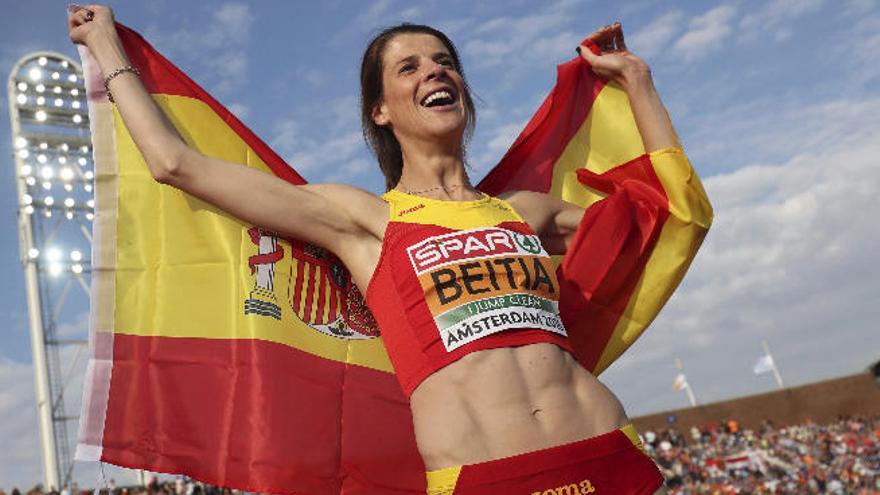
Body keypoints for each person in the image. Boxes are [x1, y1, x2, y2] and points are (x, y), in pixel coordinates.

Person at [70, 5, 685, 494]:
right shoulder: (363, 219)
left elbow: (663, 214)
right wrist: (107, 49)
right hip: (485, 477)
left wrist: (638, 82)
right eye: (409, 68)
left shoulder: (524, 211)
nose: (435, 71)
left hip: (607, 452)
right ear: (381, 110)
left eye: (444, 61)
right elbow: (177, 165)